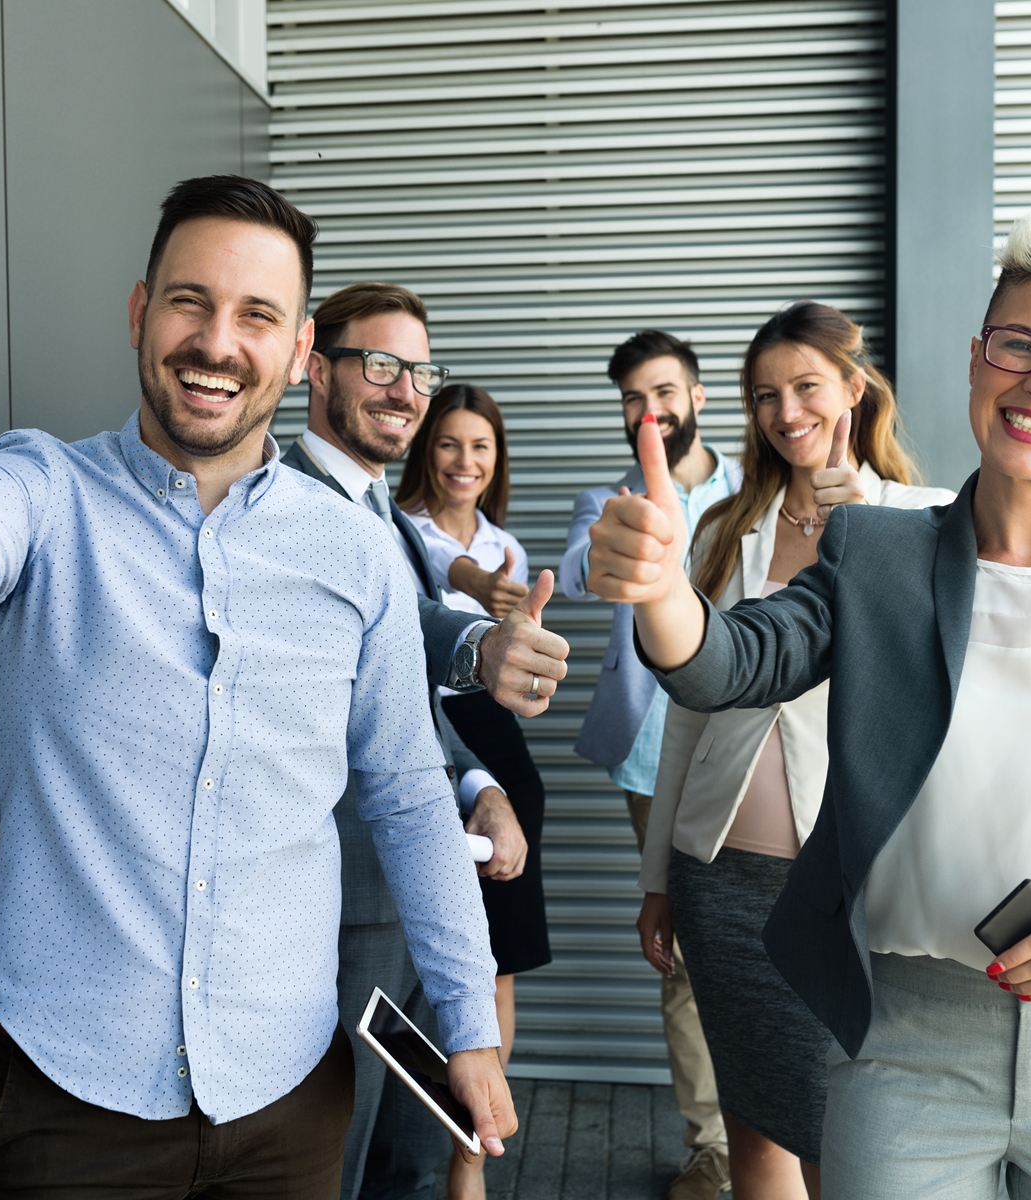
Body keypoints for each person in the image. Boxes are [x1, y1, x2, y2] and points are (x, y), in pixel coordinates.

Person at [588, 196, 1031, 1198]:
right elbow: (732, 664)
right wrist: (661, 593)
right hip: (906, 1043)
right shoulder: (879, 553)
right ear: (975, 356)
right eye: (1020, 344)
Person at [0, 176, 526, 1197]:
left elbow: (406, 793)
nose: (217, 342)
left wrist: (469, 1023)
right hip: (68, 1091)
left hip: (288, 1095)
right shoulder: (39, 491)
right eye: (190, 301)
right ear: (140, 312)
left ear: (300, 349)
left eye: (257, 315)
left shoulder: (356, 553)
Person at [637, 302, 954, 1200]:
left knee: (837, 1135)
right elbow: (686, 715)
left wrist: (872, 547)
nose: (786, 412)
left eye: (806, 387)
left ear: (854, 388)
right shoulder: (722, 528)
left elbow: (936, 691)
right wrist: (658, 877)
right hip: (718, 874)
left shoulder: (926, 521)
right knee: (752, 1123)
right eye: (764, 395)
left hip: (847, 885)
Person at [280, 282, 567, 1200]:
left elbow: (401, 683)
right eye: (380, 365)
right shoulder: (280, 502)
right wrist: (479, 643)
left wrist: (479, 784)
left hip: (422, 888)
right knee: (335, 1160)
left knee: (408, 1156)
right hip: (342, 903)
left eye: (419, 371)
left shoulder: (384, 516)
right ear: (314, 367)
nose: (406, 391)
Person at [561, 331, 738, 1199]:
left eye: (663, 392)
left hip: (749, 751)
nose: (649, 410)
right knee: (688, 953)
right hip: (651, 760)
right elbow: (578, 572)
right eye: (633, 397)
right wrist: (616, 545)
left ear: (696, 396)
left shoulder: (755, 486)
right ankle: (714, 1149)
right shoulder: (609, 500)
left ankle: (785, 1138)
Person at [397, 383, 553, 1200]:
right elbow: (444, 570)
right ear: (426, 450)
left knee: (497, 968)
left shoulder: (506, 546)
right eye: (449, 443)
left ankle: (470, 1156)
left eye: (480, 446)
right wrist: (483, 599)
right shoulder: (398, 529)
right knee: (421, 962)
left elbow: (520, 670)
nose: (464, 461)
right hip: (421, 737)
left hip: (497, 749)